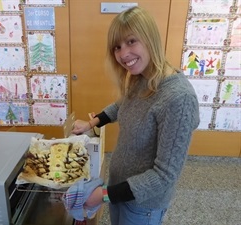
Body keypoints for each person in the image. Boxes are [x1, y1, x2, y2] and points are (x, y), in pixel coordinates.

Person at [71, 6, 200, 225]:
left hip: (143, 205)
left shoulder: (179, 98)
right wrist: (92, 123)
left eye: (131, 41)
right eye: (117, 47)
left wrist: (104, 195)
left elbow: (164, 176)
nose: (123, 54)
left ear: (149, 38)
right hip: (120, 189)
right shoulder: (143, 77)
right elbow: (122, 105)